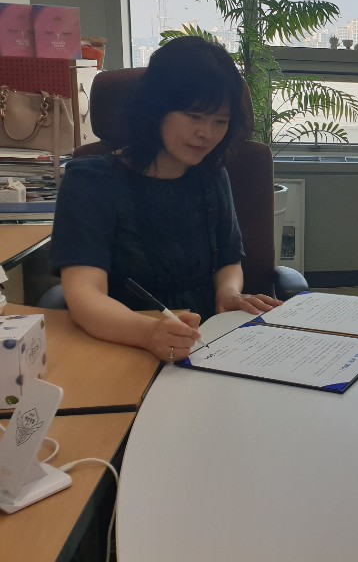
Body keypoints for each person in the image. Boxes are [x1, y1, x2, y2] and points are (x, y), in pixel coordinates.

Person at [51, 36, 281, 362]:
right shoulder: (91, 181)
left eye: (220, 121)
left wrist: (228, 292)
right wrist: (148, 332)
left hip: (206, 345)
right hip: (120, 345)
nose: (207, 133)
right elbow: (84, 293)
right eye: (194, 116)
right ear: (156, 109)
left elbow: (229, 259)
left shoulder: (212, 174)